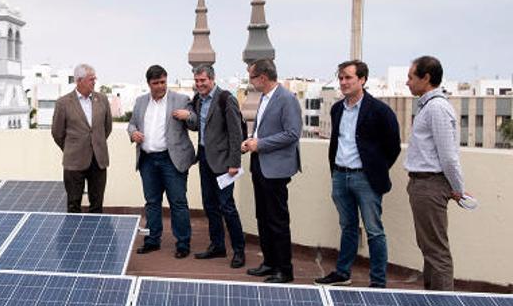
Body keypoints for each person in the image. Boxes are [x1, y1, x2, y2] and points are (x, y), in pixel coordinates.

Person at [315, 60, 401, 288]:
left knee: (374, 230)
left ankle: (378, 281)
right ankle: (343, 273)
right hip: (340, 177)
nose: (343, 82)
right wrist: (335, 171)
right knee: (348, 227)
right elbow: (337, 142)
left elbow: (393, 147)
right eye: (341, 78)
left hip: (366, 179)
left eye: (348, 78)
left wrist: (376, 170)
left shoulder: (379, 111)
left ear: (362, 79)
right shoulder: (336, 109)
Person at [172, 64, 247, 268]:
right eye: (196, 81)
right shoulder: (198, 100)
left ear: (212, 79)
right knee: (210, 205)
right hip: (204, 159)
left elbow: (235, 133)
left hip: (224, 163)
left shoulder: (226, 99)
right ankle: (217, 246)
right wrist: (188, 117)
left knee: (227, 206)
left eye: (203, 80)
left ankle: (239, 251)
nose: (199, 84)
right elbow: (196, 126)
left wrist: (234, 163)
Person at [404, 55, 466, 291]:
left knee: (436, 251)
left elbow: (448, 155)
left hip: (430, 185)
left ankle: (442, 304)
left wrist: (458, 189)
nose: (407, 82)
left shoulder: (437, 108)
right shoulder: (429, 107)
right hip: (423, 185)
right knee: (429, 247)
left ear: (426, 78)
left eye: (411, 77)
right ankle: (432, 298)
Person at [241, 59, 302, 283]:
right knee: (263, 217)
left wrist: (261, 144)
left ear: (263, 77)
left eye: (252, 77)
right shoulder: (265, 98)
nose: (251, 82)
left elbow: (292, 133)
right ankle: (269, 263)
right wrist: (251, 141)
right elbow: (263, 130)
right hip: (260, 165)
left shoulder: (287, 99)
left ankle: (284, 269)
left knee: (277, 219)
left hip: (275, 169)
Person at [128, 65, 196, 258]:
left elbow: (195, 123)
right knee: (152, 202)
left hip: (171, 159)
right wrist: (133, 133)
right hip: (147, 160)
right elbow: (132, 123)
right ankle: (152, 240)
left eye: (163, 82)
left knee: (178, 202)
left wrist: (188, 115)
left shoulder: (181, 99)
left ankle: (183, 243)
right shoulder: (141, 101)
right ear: (148, 83)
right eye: (156, 83)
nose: (160, 86)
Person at [51, 63, 113, 213]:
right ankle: (73, 236)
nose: (94, 82)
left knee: (97, 204)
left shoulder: (102, 99)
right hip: (74, 161)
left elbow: (107, 127)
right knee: (73, 204)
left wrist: (95, 144)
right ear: (79, 80)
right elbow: (57, 132)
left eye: (95, 79)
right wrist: (71, 149)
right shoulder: (63, 103)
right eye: (91, 79)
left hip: (98, 160)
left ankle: (95, 236)